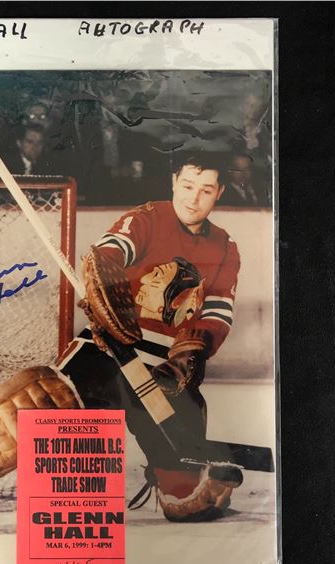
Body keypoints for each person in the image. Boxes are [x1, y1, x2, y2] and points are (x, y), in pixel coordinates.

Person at [57, 152, 243, 522]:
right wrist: (104, 278)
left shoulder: (225, 246)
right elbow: (110, 252)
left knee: (183, 421)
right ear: (173, 181)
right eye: (187, 186)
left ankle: (183, 488)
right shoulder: (147, 218)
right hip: (107, 348)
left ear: (219, 192)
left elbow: (218, 309)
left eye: (206, 190)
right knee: (53, 405)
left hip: (163, 363)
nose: (193, 198)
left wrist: (195, 349)